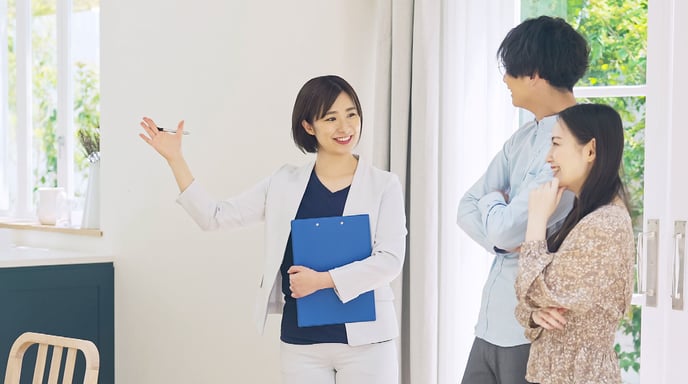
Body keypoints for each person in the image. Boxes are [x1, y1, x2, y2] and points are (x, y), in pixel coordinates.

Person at [138, 75, 406, 384]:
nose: (345, 128)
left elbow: (389, 261)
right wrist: (176, 159)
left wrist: (322, 281)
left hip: (367, 343)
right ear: (308, 126)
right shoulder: (284, 182)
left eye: (351, 115)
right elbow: (215, 217)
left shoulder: (384, 185)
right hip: (302, 345)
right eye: (331, 118)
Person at [457, 16, 589, 384]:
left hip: (533, 327)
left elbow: (506, 228)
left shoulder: (574, 142)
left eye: (510, 71)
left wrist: (495, 213)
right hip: (491, 323)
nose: (504, 80)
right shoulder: (520, 139)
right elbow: (466, 207)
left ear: (533, 73)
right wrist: (500, 229)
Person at [515, 103, 634, 383]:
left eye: (556, 143)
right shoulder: (584, 218)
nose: (548, 157)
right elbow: (526, 303)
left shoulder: (605, 224)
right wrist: (535, 313)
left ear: (590, 150)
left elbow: (530, 291)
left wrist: (536, 221)